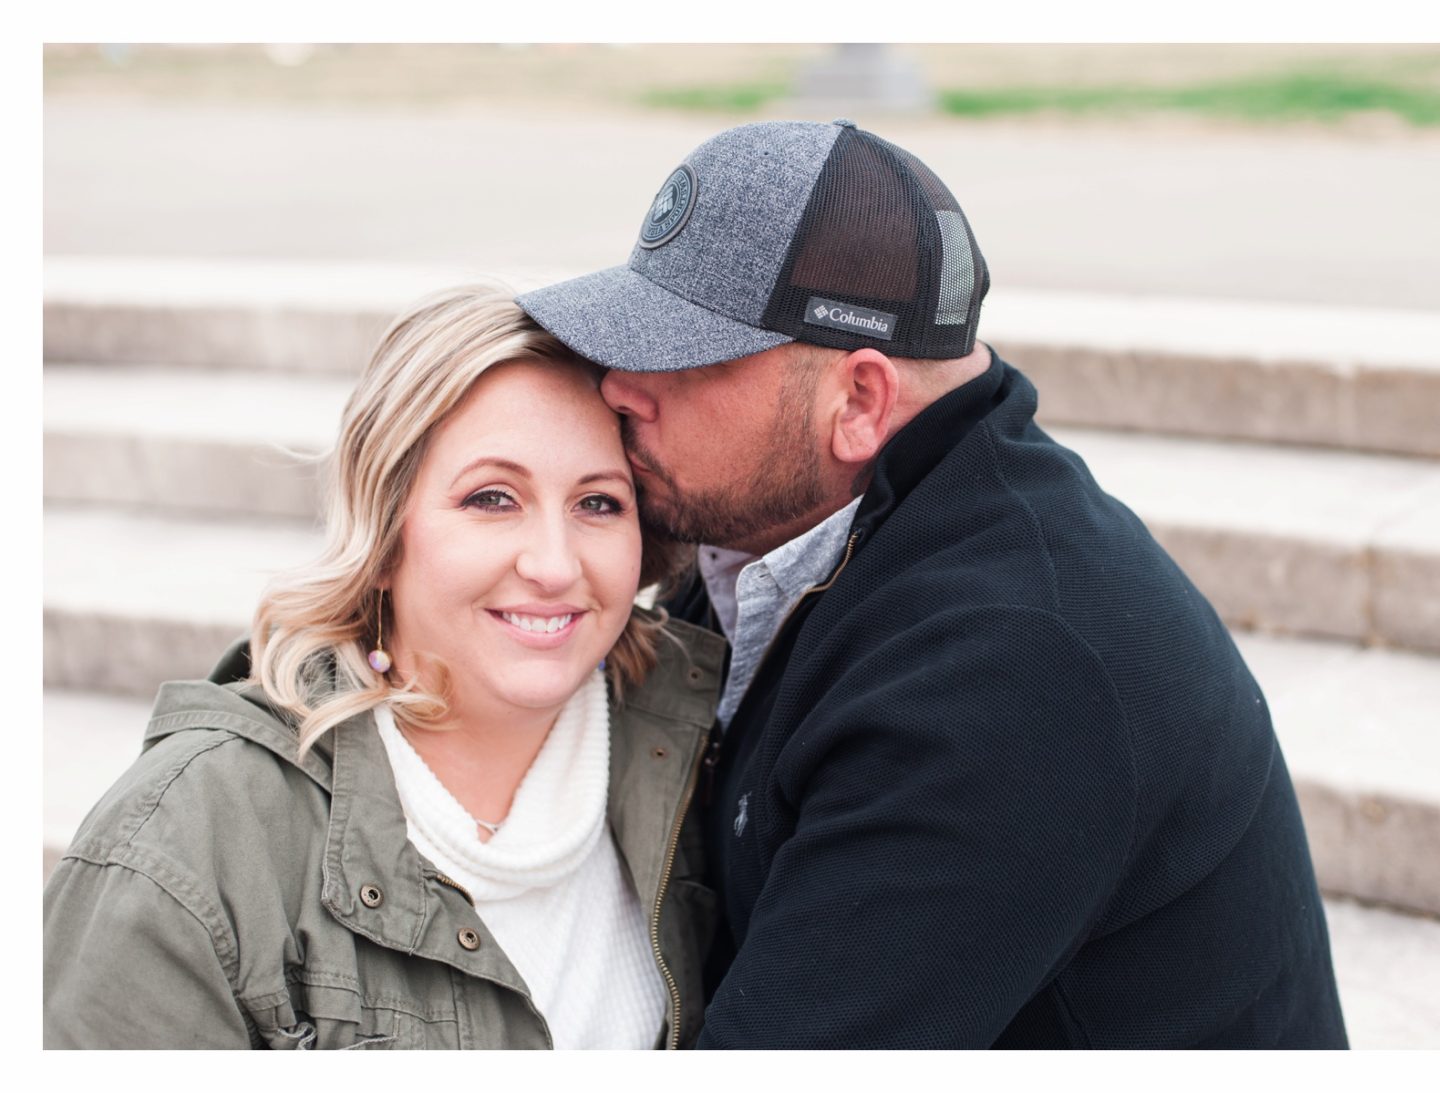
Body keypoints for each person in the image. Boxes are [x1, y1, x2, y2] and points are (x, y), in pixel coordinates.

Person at [515, 119, 1350, 1049]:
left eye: (685, 355)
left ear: (861, 401)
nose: (621, 387)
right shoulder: (783, 522)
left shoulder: (1006, 670)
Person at [43, 286, 725, 1049]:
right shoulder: (183, 844)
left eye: (598, 503)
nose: (555, 564)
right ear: (384, 533)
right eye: (492, 498)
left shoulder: (703, 746)